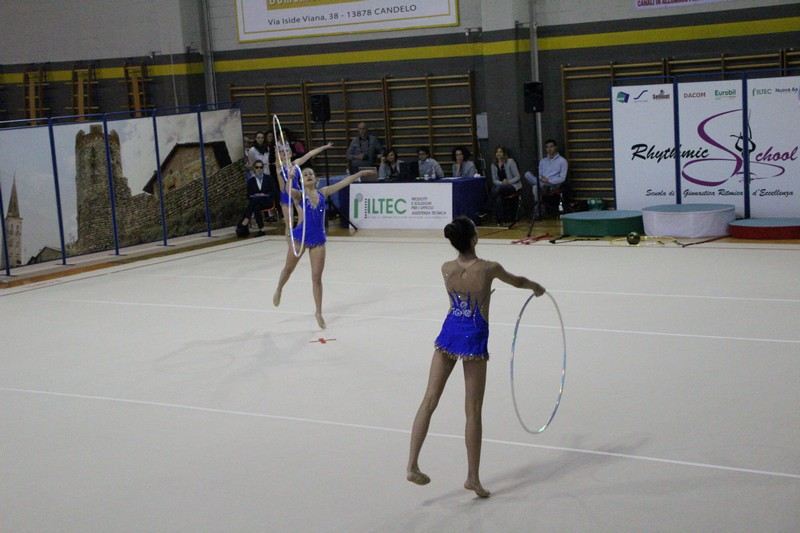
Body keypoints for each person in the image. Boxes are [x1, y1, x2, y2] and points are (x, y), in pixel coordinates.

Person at [407, 216, 545, 498]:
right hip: (474, 338)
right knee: (473, 410)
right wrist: (535, 287)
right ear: (474, 239)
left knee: (429, 400)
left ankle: (412, 465)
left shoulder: (446, 269)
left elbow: (457, 298)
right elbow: (517, 281)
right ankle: (472, 477)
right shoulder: (488, 268)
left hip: (448, 333)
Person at [273, 166, 377, 329]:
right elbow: (287, 190)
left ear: (316, 179)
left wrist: (360, 174)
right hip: (301, 237)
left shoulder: (323, 192)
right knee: (288, 269)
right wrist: (291, 178)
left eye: (311, 174)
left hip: (318, 239)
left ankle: (318, 312)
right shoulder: (299, 195)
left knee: (316, 278)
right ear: (302, 180)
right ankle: (279, 288)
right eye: (305, 174)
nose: (308, 176)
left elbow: (344, 183)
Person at [275, 141, 334, 233]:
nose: (284, 152)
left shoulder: (296, 164)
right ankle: (291, 245)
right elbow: (277, 158)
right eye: (282, 151)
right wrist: (277, 149)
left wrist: (325, 147)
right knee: (289, 223)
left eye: (286, 151)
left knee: (302, 218)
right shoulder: (279, 167)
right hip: (286, 194)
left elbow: (310, 154)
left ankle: (301, 237)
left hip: (298, 193)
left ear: (290, 153)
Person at [524, 139, 568, 216]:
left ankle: (538, 211)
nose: (549, 149)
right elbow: (540, 174)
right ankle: (540, 208)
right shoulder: (543, 161)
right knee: (527, 174)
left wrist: (549, 180)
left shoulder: (562, 161)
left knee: (535, 187)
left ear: (555, 147)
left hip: (553, 185)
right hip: (542, 182)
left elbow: (562, 178)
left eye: (551, 147)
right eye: (547, 147)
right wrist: (542, 178)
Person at [239, 161, 276, 235]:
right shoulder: (250, 181)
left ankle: (246, 219)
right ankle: (261, 229)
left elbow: (274, 191)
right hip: (256, 203)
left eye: (261, 167)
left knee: (255, 201)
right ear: (254, 169)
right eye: (257, 167)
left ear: (263, 168)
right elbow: (248, 195)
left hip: (267, 201)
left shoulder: (269, 178)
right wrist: (256, 195)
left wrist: (264, 195)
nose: (259, 169)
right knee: (256, 206)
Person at [490, 146, 521, 224]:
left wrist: (508, 182)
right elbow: (494, 180)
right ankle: (501, 220)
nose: (499, 154)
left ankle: (488, 206)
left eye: (500, 152)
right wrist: (502, 183)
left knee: (496, 190)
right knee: (498, 197)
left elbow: (517, 176)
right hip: (501, 187)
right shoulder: (493, 165)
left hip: (512, 186)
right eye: (497, 152)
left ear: (504, 153)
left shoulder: (510, 162)